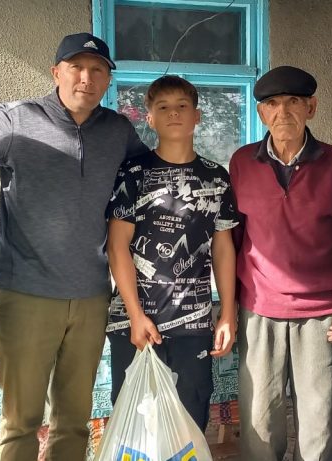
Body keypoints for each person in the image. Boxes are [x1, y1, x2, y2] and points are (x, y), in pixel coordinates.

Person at [0, 33, 149, 460]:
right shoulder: (16, 120)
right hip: (25, 293)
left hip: (89, 295)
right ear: (56, 73)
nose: (86, 78)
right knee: (21, 421)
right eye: (76, 67)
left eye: (98, 69)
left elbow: (150, 182)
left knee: (74, 420)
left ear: (107, 80)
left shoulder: (118, 132)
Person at [228, 65, 332, 461]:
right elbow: (233, 238)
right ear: (260, 114)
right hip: (258, 308)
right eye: (271, 104)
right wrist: (231, 308)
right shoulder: (242, 163)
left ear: (312, 108)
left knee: (320, 423)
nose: (282, 112)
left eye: (293, 102)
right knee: (259, 423)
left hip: (323, 312)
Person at [105, 75, 239, 430]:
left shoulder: (217, 178)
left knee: (189, 419)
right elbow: (117, 247)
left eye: (182, 106)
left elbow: (223, 247)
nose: (174, 113)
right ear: (149, 118)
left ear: (197, 116)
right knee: (136, 424)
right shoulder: (134, 174)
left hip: (193, 322)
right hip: (133, 323)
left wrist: (227, 313)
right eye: (163, 107)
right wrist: (135, 315)